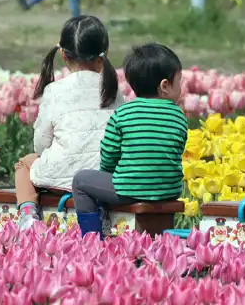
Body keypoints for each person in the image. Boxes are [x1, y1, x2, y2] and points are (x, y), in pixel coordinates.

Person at [14, 15, 123, 230]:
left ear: (63, 54)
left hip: (60, 180)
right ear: (104, 54)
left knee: (24, 164)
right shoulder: (114, 91)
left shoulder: (55, 90)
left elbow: (41, 144)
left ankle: (28, 215)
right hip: (103, 180)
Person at [70, 43, 188, 236]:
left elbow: (108, 154)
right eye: (179, 81)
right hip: (169, 191)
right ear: (165, 86)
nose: (181, 87)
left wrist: (109, 175)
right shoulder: (178, 115)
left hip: (128, 189)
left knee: (80, 181)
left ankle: (91, 238)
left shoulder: (123, 113)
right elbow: (175, 150)